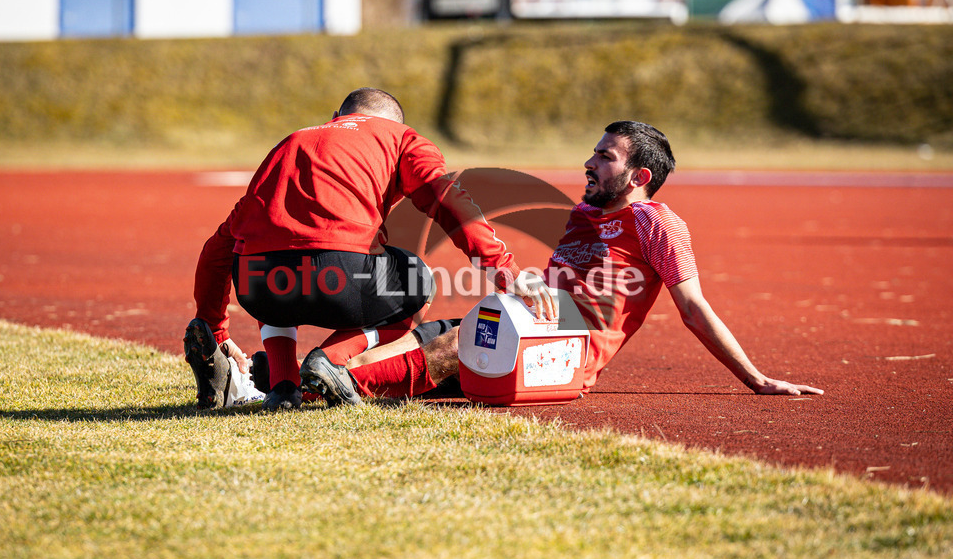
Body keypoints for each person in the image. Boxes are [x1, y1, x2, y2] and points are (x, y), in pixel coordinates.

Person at [299, 120, 824, 404]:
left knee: (466, 338)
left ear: (639, 177)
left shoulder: (658, 223)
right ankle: (327, 377)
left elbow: (694, 309)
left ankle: (338, 385)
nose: (589, 163)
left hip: (564, 356)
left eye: (606, 156)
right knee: (447, 325)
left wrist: (755, 379)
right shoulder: (582, 214)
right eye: (594, 152)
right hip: (530, 335)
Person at [184, 87, 556, 410]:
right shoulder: (402, 139)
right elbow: (446, 200)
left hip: (259, 286)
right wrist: (504, 270)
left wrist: (215, 331)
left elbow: (219, 247)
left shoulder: (291, 141)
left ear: (334, 118)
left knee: (273, 247)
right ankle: (331, 360)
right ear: (398, 124)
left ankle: (283, 386)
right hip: (340, 277)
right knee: (415, 278)